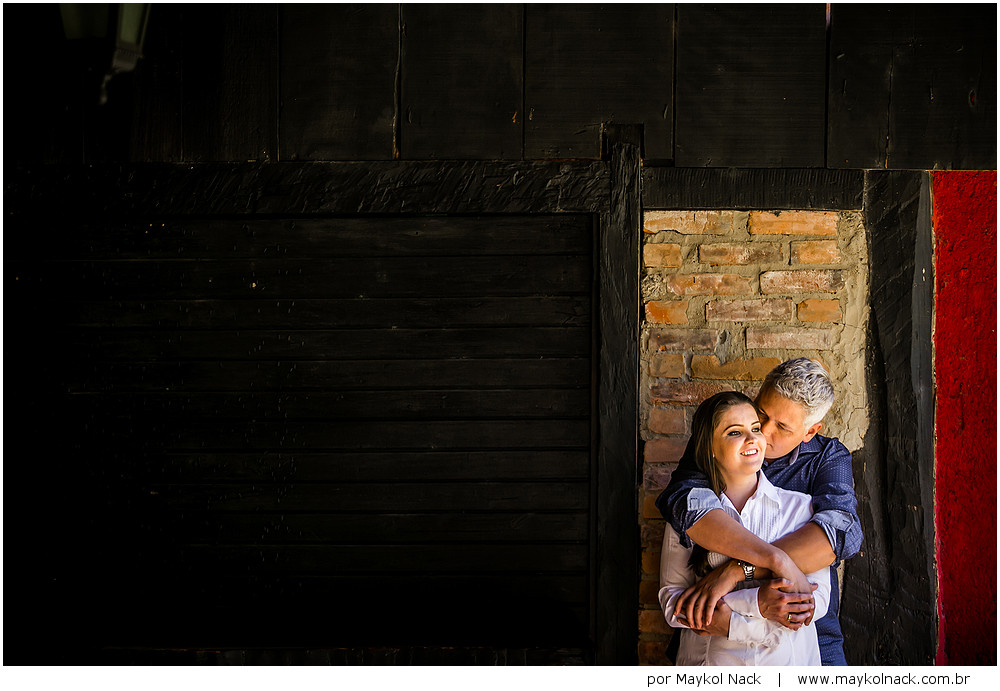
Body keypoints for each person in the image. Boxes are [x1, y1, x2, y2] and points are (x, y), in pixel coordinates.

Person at [655, 358, 862, 666]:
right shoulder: (722, 435)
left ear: (810, 431)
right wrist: (776, 562)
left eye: (782, 427)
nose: (762, 433)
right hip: (712, 641)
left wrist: (735, 571)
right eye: (761, 414)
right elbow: (686, 503)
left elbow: (836, 536)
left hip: (805, 631)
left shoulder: (827, 459)